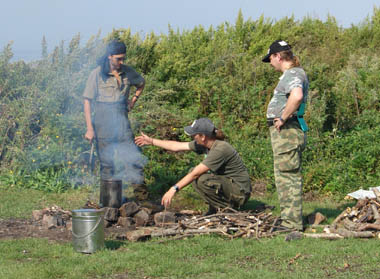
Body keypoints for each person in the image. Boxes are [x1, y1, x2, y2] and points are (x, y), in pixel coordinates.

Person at [135, 118, 252, 214]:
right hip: (230, 185)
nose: (192, 138)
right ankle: (216, 208)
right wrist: (151, 141)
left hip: (240, 191)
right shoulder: (205, 144)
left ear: (203, 136)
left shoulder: (220, 148)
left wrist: (173, 189)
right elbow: (176, 146)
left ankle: (227, 209)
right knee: (197, 176)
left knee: (201, 178)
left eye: (194, 135)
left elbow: (196, 173)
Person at [83, 40, 149, 204]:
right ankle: (108, 201)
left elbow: (141, 83)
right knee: (107, 163)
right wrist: (89, 129)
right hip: (102, 122)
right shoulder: (97, 73)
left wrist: (133, 99)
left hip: (121, 122)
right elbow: (86, 101)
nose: (121, 62)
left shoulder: (128, 72)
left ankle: (142, 200)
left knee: (133, 158)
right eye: (118, 59)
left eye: (123, 58)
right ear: (109, 56)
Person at [262, 40, 309, 231]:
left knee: (287, 176)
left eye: (270, 59)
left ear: (278, 56)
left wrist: (282, 117)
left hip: (287, 131)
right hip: (288, 131)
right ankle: (289, 220)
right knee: (284, 175)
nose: (270, 63)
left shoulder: (293, 74)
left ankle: (292, 224)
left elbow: (296, 96)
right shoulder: (293, 74)